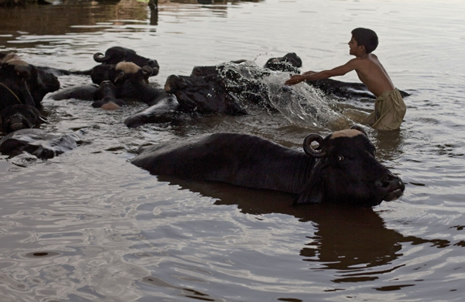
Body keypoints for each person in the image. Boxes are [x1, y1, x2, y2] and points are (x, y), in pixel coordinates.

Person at [285, 28, 406, 131]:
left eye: (352, 42)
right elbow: (331, 71)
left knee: (384, 135)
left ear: (361, 48)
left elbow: (331, 73)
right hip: (390, 100)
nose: (348, 43)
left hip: (391, 104)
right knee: (372, 127)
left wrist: (304, 77)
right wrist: (313, 74)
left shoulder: (358, 62)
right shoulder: (371, 57)